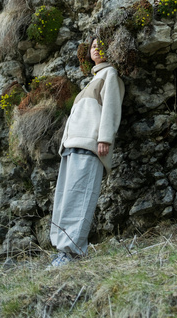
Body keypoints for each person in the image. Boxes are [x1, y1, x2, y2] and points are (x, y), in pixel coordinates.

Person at [49, 38, 125, 267]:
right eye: (93, 46)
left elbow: (111, 107)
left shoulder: (110, 74)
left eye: (101, 44)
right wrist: (64, 144)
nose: (96, 49)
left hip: (90, 145)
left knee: (80, 197)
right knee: (65, 199)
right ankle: (63, 250)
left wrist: (104, 138)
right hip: (72, 146)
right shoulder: (91, 81)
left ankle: (72, 252)